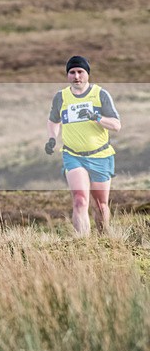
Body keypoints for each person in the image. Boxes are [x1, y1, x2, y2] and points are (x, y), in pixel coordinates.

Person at [46, 56, 121, 236]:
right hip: (73, 156)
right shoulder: (61, 97)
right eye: (72, 72)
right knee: (79, 200)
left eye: (81, 72)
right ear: (67, 75)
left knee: (101, 205)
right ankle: (82, 243)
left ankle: (104, 238)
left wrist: (95, 117)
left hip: (100, 155)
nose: (77, 76)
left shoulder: (100, 94)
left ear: (87, 74)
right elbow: (53, 120)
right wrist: (52, 138)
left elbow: (116, 125)